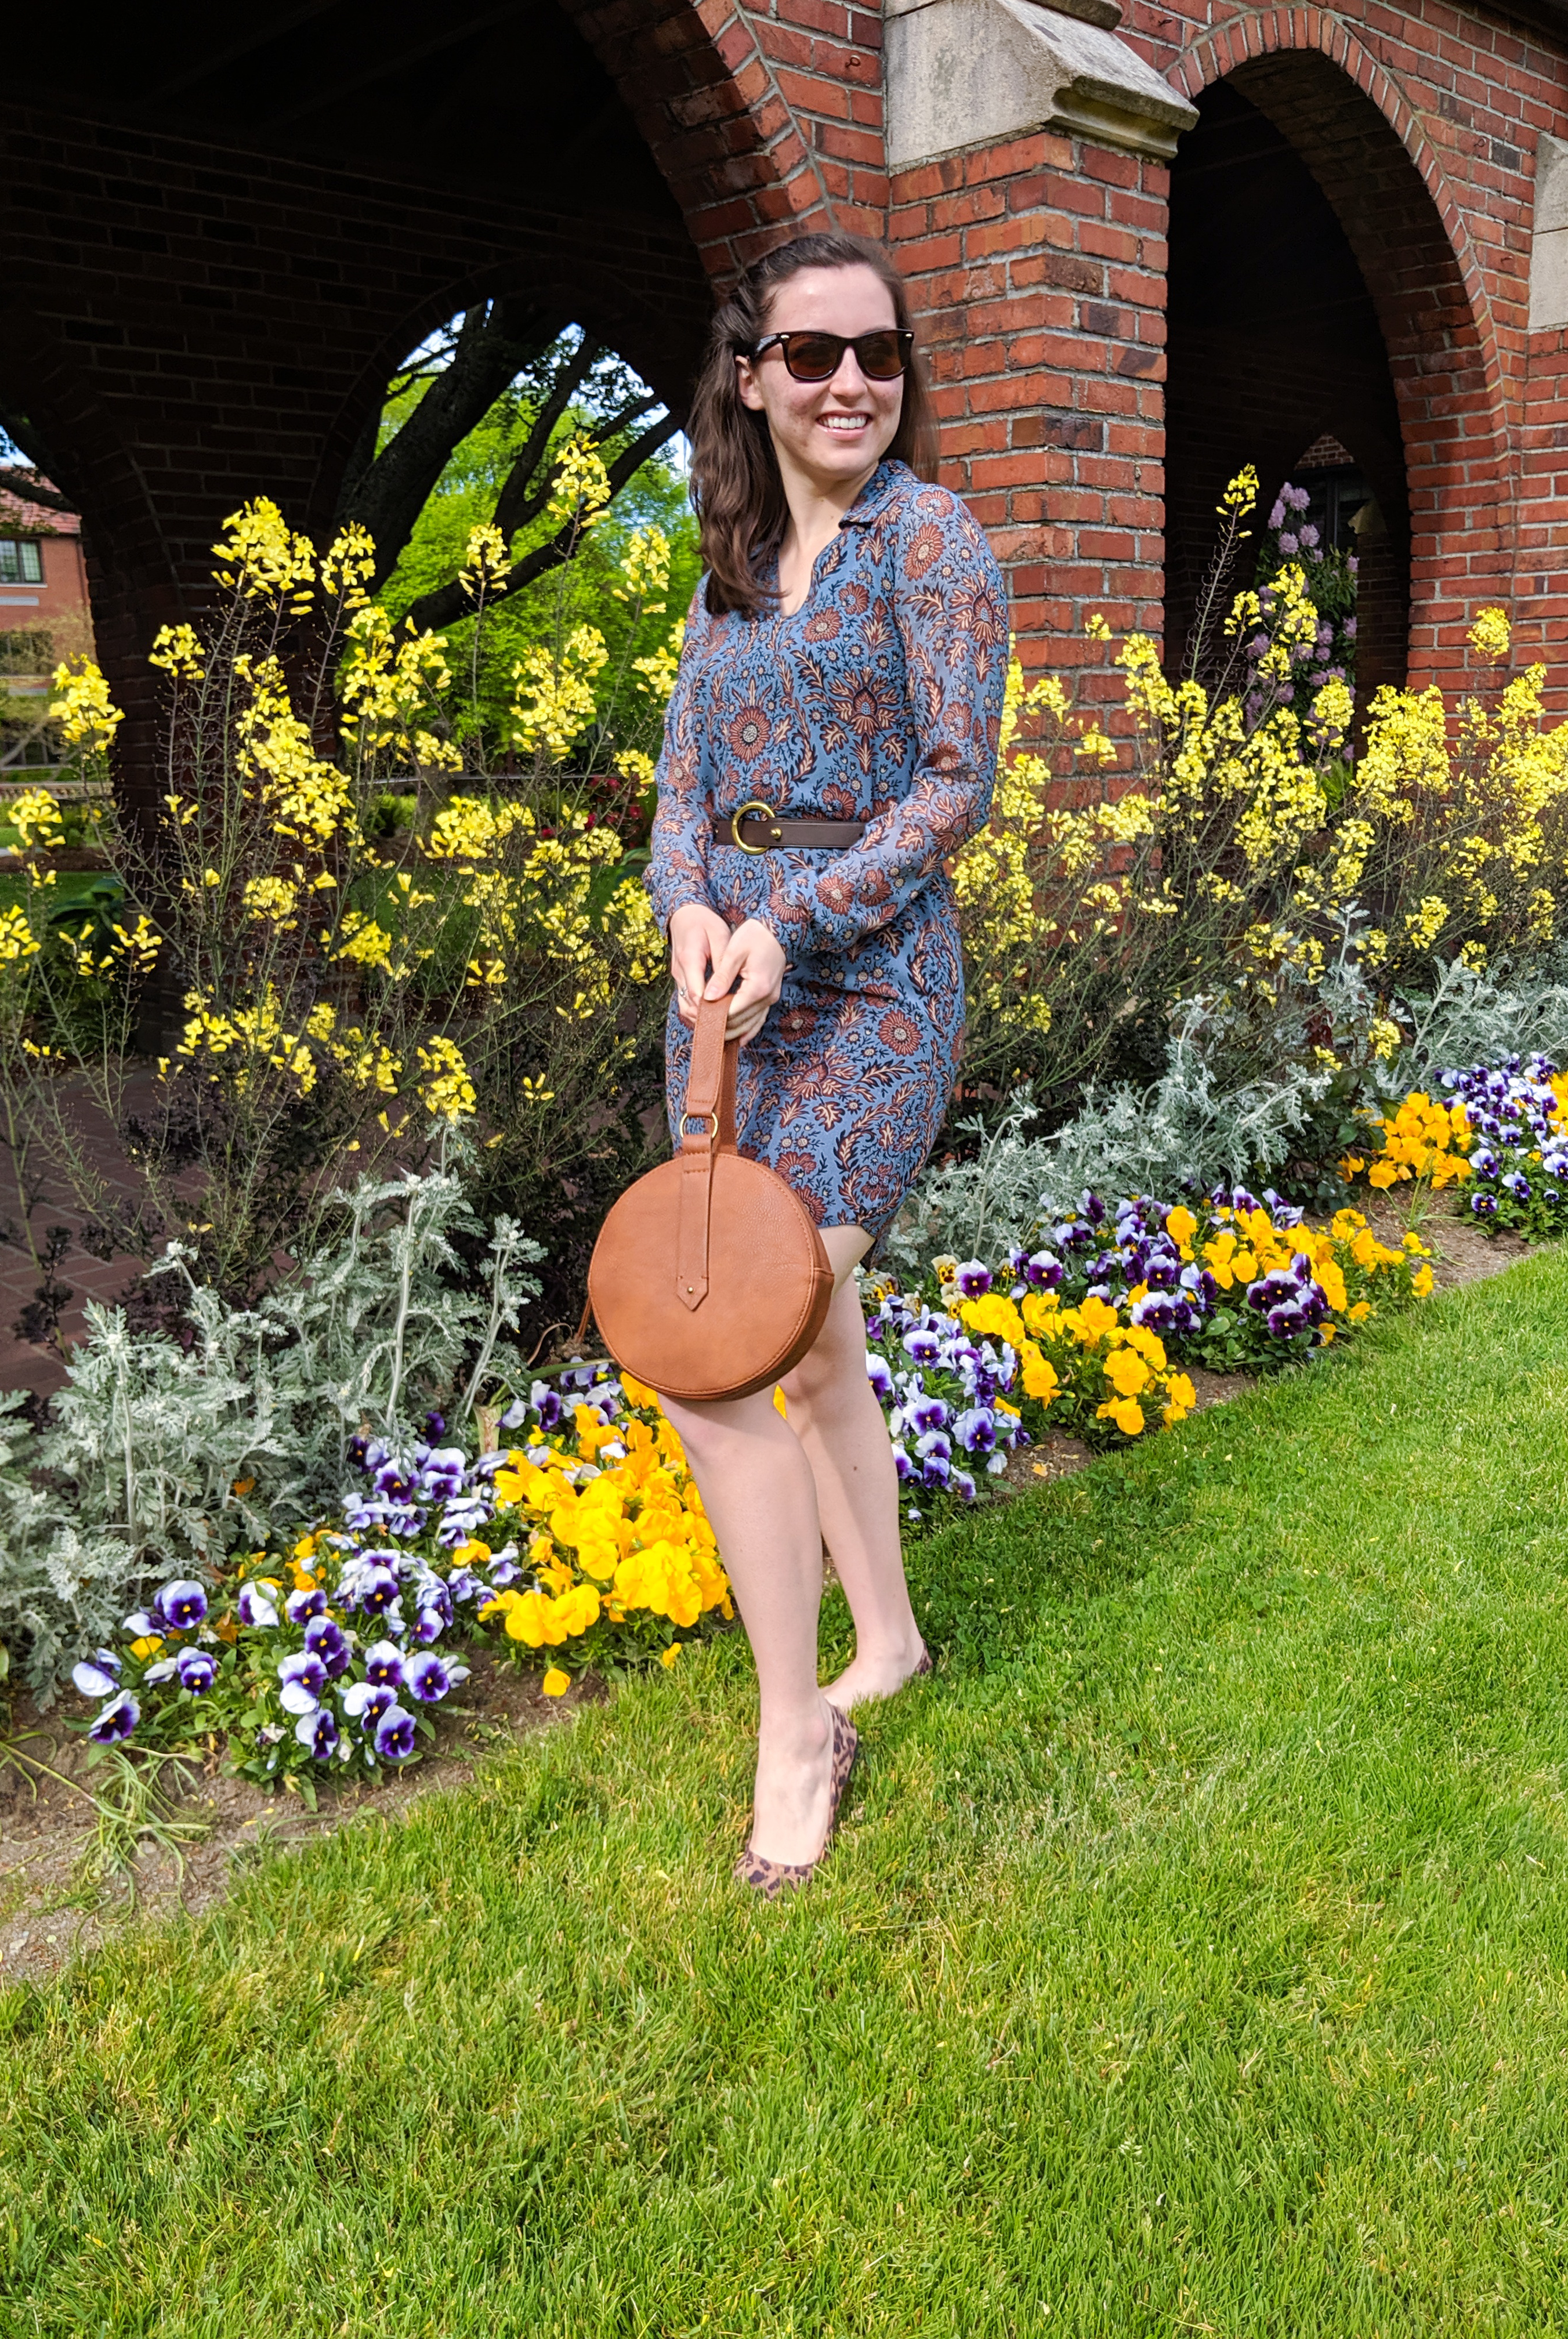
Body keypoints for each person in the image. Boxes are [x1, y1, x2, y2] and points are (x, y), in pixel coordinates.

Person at [643, 230, 1008, 1898]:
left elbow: (953, 785)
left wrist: (791, 911)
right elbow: (678, 800)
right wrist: (687, 918)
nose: (852, 382)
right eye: (813, 355)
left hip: (872, 992)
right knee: (808, 1348)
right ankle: (893, 1643)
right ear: (752, 375)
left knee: (721, 1349)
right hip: (729, 1004)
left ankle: (799, 1736)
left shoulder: (933, 541)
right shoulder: (720, 565)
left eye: (880, 354)